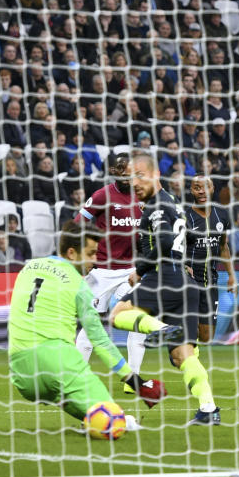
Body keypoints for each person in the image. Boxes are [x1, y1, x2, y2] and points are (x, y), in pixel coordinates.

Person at [7, 220, 166, 427]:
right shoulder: (78, 284)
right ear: (72, 253)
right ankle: (118, 420)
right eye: (91, 253)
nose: (95, 260)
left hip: (20, 372)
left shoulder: (27, 268)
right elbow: (99, 339)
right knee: (114, 423)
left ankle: (94, 418)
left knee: (89, 413)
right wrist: (133, 380)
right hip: (55, 361)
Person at [110, 151, 220, 426]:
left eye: (140, 176)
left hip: (164, 277)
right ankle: (208, 409)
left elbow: (162, 241)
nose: (134, 183)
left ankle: (159, 330)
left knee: (117, 314)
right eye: (130, 178)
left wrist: (140, 271)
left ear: (156, 174)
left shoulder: (157, 206)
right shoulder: (173, 203)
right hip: (186, 285)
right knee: (182, 354)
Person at [73, 153, 146, 382]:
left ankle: (133, 379)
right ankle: (76, 376)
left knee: (136, 322)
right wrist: (84, 258)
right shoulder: (102, 195)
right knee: (90, 324)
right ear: (114, 171)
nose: (125, 173)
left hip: (130, 271)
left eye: (129, 169)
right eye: (120, 169)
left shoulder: (143, 198)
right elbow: (77, 224)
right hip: (102, 271)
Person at [185, 175, 236, 343]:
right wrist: (182, 265)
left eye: (206, 187)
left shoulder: (222, 215)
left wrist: (231, 275)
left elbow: (223, 247)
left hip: (211, 283)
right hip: (188, 283)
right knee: (190, 333)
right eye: (197, 187)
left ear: (213, 189)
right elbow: (172, 248)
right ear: (191, 190)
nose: (202, 192)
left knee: (206, 338)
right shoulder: (184, 216)